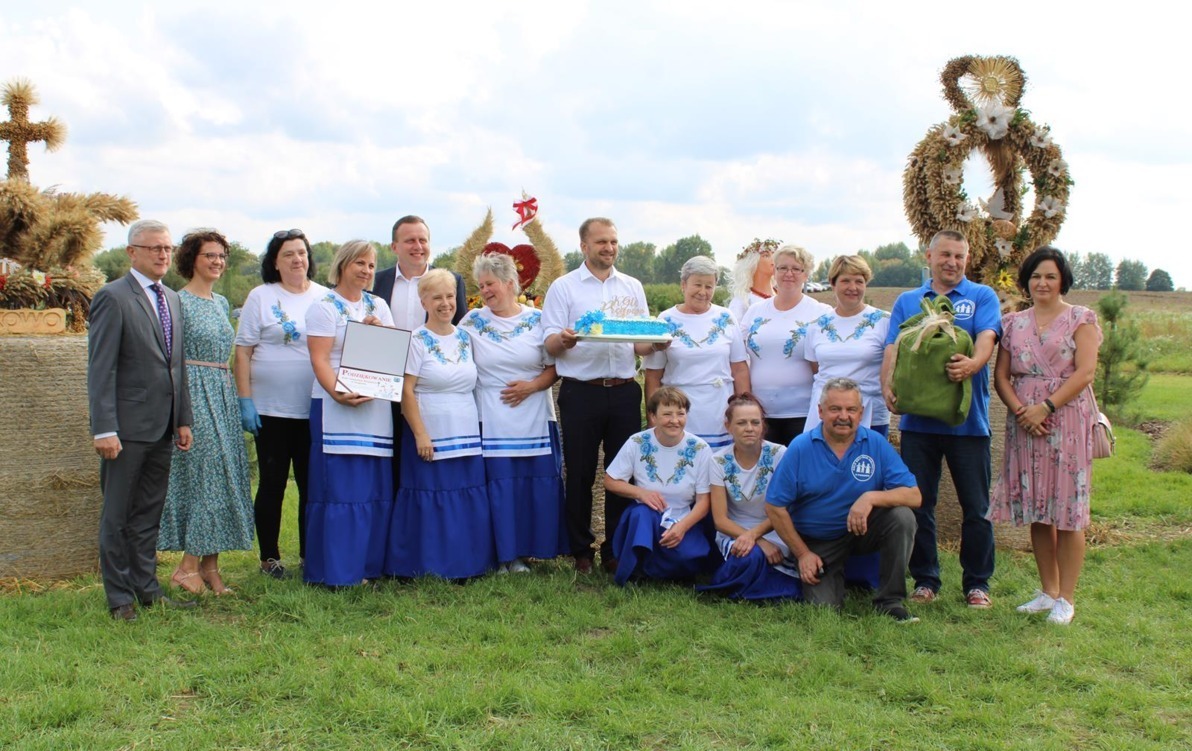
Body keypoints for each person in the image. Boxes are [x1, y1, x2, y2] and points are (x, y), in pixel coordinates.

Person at [880, 229, 1001, 609]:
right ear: (929, 256)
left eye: (959, 257)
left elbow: (987, 337)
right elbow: (893, 347)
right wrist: (887, 390)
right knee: (920, 504)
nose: (952, 262)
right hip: (918, 425)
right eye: (945, 255)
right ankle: (926, 579)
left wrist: (973, 364)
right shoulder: (909, 300)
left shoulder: (981, 296)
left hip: (969, 425)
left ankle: (977, 583)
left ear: (966, 260)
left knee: (977, 508)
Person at [88, 219, 195, 621]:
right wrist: (104, 427)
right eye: (154, 248)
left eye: (167, 248)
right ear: (132, 252)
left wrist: (182, 418)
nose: (163, 255)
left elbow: (176, 366)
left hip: (164, 427)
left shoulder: (171, 297)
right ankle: (119, 598)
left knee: (148, 514)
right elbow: (101, 369)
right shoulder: (113, 297)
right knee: (117, 515)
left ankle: (147, 590)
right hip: (125, 430)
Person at [990, 247, 1101, 625]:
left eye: (1050, 276)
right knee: (1039, 507)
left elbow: (1085, 372)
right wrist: (1023, 411)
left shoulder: (1081, 318)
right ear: (1027, 280)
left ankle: (1066, 599)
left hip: (1065, 422)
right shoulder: (1013, 323)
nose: (1042, 283)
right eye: (1036, 276)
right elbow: (1001, 376)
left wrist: (1046, 407)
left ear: (1062, 280)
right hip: (1025, 423)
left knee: (1068, 511)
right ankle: (1047, 591)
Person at [542, 217, 654, 574]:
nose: (609, 248)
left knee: (622, 473)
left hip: (623, 390)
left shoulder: (632, 286)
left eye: (614, 242)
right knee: (579, 472)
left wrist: (661, 339)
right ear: (584, 246)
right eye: (602, 242)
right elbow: (550, 343)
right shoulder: (564, 287)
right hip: (581, 392)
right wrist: (566, 338)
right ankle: (580, 550)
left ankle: (614, 549)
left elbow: (641, 341)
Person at [765, 378, 921, 621]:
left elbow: (914, 495)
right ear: (820, 411)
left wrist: (871, 497)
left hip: (862, 530)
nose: (843, 416)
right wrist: (803, 553)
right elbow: (774, 506)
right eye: (835, 409)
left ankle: (890, 601)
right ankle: (828, 577)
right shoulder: (800, 448)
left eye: (851, 410)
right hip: (819, 541)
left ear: (861, 413)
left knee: (902, 517)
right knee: (823, 613)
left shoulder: (875, 444)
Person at [158, 229, 256, 596]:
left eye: (220, 256)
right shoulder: (176, 302)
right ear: (191, 260)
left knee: (225, 476)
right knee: (204, 477)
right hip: (193, 393)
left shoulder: (220, 302)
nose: (216, 262)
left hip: (222, 391)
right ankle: (186, 566)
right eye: (208, 255)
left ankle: (211, 568)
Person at [459, 253, 566, 573]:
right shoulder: (472, 321)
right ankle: (502, 555)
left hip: (535, 415)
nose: (486, 291)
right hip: (489, 418)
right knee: (499, 487)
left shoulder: (538, 320)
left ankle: (528, 550)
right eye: (481, 286)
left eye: (490, 284)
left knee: (530, 485)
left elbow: (555, 367)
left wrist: (531, 387)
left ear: (509, 283)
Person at [234, 229, 328, 579]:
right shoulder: (261, 296)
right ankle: (269, 558)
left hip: (315, 406)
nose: (296, 259)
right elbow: (243, 352)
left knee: (310, 483)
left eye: (301, 253)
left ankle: (309, 553)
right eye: (288, 253)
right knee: (273, 482)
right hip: (270, 408)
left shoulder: (324, 297)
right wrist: (245, 400)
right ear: (275, 261)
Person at [388, 269, 495, 579]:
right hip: (429, 430)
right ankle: (426, 565)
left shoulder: (466, 337)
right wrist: (420, 434)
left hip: (465, 428)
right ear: (424, 301)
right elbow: (406, 390)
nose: (445, 303)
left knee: (464, 494)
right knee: (431, 495)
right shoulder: (417, 340)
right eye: (437, 297)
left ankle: (468, 564)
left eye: (449, 296)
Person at [303, 240, 396, 587]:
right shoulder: (324, 306)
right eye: (360, 263)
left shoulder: (379, 305)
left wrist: (380, 332)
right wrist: (338, 392)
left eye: (371, 265)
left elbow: (389, 352)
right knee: (341, 489)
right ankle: (337, 571)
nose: (367, 271)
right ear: (342, 265)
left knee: (372, 488)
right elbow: (319, 359)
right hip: (335, 405)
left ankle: (369, 567)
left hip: (375, 405)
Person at [604, 386, 717, 585]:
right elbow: (610, 480)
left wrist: (682, 527)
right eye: (667, 414)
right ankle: (637, 571)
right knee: (640, 514)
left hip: (683, 516)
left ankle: (674, 571)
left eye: (680, 414)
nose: (674, 420)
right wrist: (640, 492)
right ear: (653, 416)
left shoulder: (700, 449)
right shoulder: (637, 442)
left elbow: (703, 501)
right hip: (648, 517)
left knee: (689, 555)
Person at [698, 393, 801, 600]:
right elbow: (720, 520)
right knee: (749, 555)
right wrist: (756, 540)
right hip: (735, 531)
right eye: (741, 423)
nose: (749, 428)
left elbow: (786, 508)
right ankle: (764, 590)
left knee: (761, 558)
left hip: (776, 528)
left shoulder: (779, 454)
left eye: (755, 422)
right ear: (728, 426)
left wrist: (757, 536)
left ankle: (740, 589)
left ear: (763, 425)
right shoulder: (717, 461)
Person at [645, 255, 750, 452]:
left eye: (709, 286)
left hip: (719, 410)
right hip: (678, 412)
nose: (703, 292)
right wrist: (653, 417)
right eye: (697, 285)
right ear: (683, 285)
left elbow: (739, 369)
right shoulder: (665, 319)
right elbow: (653, 375)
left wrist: (742, 411)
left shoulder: (726, 318)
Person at [739, 244, 832, 445]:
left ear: (805, 274)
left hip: (803, 414)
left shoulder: (820, 313)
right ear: (774, 271)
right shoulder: (755, 312)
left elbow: (824, 366)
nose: (788, 274)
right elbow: (739, 360)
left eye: (796, 269)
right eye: (782, 268)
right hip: (760, 415)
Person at [803, 255, 891, 437]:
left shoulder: (884, 321)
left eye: (859, 281)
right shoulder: (817, 326)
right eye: (845, 281)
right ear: (833, 284)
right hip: (826, 416)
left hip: (869, 413)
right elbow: (816, 368)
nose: (853, 288)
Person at [372, 215, 467, 330]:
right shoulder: (375, 282)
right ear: (394, 247)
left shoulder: (453, 281)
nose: (418, 246)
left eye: (422, 240)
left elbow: (461, 328)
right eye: (410, 241)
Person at [728, 238, 779, 324]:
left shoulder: (782, 296)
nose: (773, 259)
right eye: (766, 255)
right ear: (753, 263)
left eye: (774, 255)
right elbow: (734, 333)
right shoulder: (743, 301)